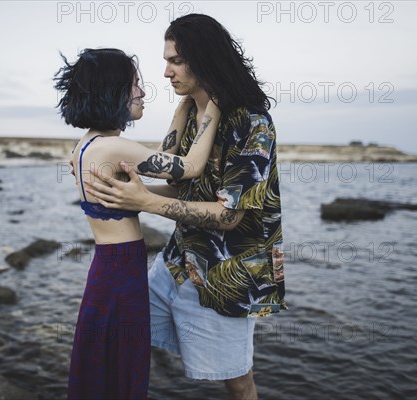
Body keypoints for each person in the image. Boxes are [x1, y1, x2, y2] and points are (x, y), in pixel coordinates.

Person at [84, 15, 286, 400]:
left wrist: (144, 201)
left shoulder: (251, 123)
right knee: (123, 335)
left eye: (175, 60)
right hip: (177, 263)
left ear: (204, 59)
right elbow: (180, 179)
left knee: (239, 382)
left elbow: (229, 215)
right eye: (166, 61)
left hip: (226, 276)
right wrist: (126, 189)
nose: (165, 72)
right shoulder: (193, 115)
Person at [53, 47, 221, 400]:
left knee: (104, 365)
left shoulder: (88, 145)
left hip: (109, 269)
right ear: (112, 91)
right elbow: (188, 168)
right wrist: (213, 111)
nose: (142, 92)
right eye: (134, 86)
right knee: (121, 368)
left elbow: (167, 163)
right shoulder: (113, 148)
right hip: (120, 273)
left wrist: (183, 106)